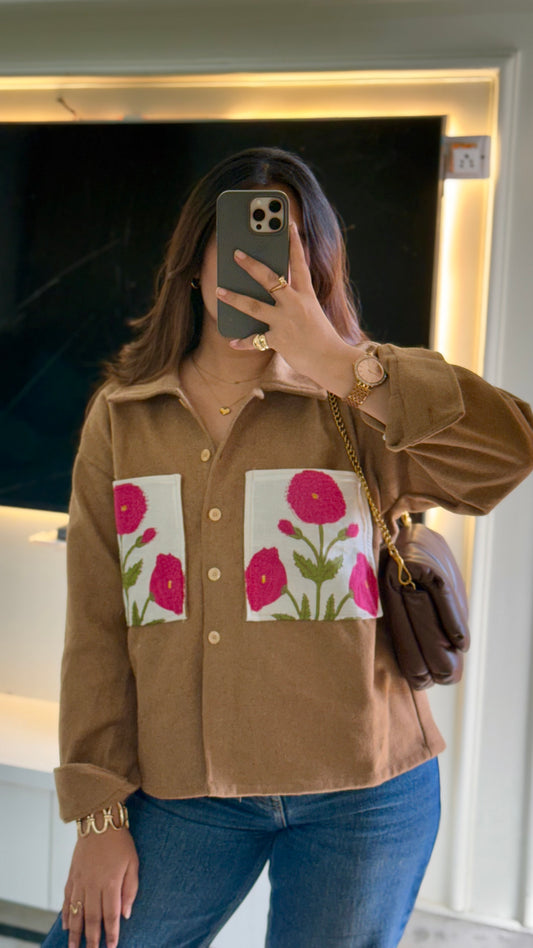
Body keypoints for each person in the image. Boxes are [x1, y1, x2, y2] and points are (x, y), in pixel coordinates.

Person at [43, 146, 533, 948]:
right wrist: (99, 812)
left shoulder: (359, 399)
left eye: (287, 249)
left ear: (319, 267)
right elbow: (97, 627)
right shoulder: (125, 417)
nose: (263, 270)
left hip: (364, 795)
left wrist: (339, 363)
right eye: (241, 245)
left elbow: (509, 451)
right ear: (192, 263)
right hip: (186, 794)